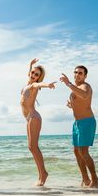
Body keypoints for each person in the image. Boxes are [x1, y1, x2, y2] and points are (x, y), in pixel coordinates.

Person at [60, 66, 98, 187]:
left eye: (80, 73)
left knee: (83, 151)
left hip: (87, 122)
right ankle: (85, 179)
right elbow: (80, 102)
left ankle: (95, 179)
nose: (77, 74)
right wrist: (71, 105)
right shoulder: (75, 88)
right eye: (75, 72)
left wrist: (68, 83)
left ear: (85, 76)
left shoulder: (85, 86)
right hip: (77, 123)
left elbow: (84, 95)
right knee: (77, 151)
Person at [21, 58, 56, 186]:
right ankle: (41, 174)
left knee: (34, 146)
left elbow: (39, 84)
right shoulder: (27, 83)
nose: (33, 75)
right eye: (33, 73)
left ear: (39, 77)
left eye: (37, 74)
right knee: (31, 147)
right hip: (29, 118)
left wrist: (48, 85)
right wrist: (30, 65)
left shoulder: (33, 85)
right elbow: (29, 74)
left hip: (34, 117)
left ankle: (43, 174)